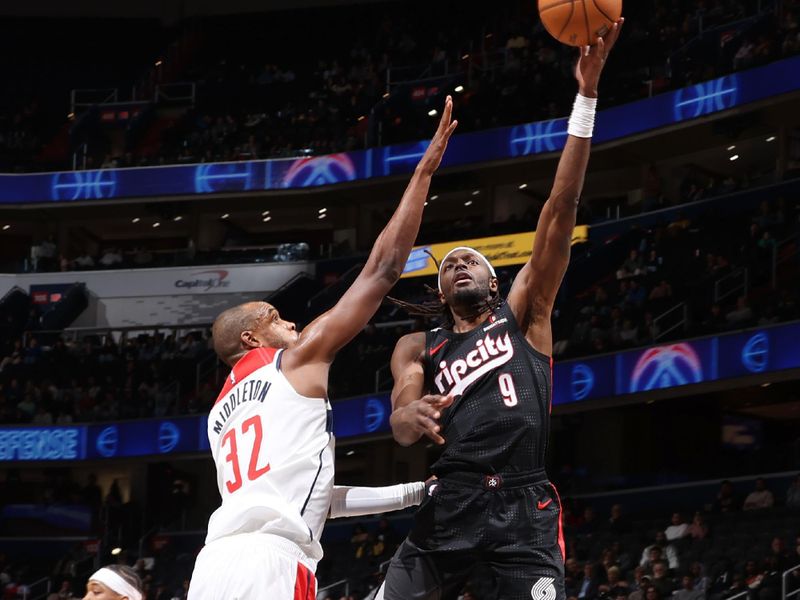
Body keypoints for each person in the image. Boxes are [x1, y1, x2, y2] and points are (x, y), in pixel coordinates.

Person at [378, 22, 623, 600]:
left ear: (497, 279)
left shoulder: (525, 313)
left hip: (523, 506)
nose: (460, 263)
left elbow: (561, 207)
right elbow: (400, 413)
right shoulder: (417, 346)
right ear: (439, 291)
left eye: (472, 259)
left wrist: (585, 98)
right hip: (452, 501)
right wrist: (405, 421)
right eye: (449, 263)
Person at [187, 98, 459, 600]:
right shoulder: (294, 363)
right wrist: (423, 173)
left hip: (211, 568)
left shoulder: (217, 415)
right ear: (251, 339)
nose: (288, 320)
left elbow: (312, 496)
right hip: (272, 564)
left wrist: (415, 493)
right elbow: (380, 272)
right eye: (272, 317)